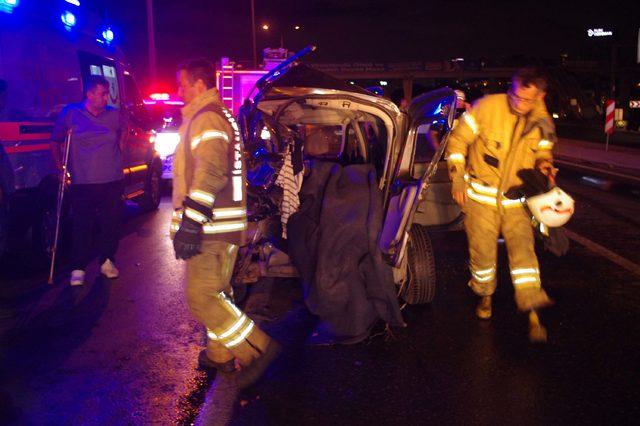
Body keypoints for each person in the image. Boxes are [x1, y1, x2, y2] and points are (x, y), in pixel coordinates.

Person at [171, 59, 279, 387]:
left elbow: (211, 171)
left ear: (200, 85)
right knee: (217, 293)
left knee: (201, 297)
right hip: (222, 226)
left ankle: (257, 350)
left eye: (183, 84)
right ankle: (219, 355)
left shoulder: (206, 120)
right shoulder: (219, 116)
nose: (179, 91)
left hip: (210, 228)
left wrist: (191, 221)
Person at [445, 67, 556, 342]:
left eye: (527, 99)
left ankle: (531, 303)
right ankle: (484, 297)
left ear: (540, 96)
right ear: (511, 89)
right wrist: (457, 178)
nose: (519, 103)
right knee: (482, 255)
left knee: (524, 254)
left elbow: (543, 148)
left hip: (516, 200)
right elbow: (458, 141)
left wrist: (544, 163)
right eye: (515, 96)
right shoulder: (486, 108)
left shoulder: (542, 121)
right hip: (481, 198)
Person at [50, 75, 125, 286]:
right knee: (82, 224)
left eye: (106, 93)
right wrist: (61, 167)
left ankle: (108, 261)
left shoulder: (114, 115)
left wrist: (120, 149)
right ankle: (78, 267)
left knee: (110, 223)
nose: (105, 98)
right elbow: (55, 142)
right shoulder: (71, 113)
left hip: (111, 179)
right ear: (89, 94)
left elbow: (123, 133)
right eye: (101, 93)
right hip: (83, 181)